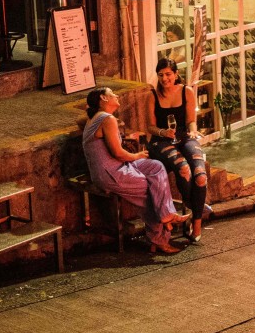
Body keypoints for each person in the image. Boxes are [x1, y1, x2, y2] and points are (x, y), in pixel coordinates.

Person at [81, 87, 189, 253]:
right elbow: (117, 153)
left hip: (117, 167)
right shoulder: (107, 119)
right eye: (112, 93)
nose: (116, 95)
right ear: (103, 98)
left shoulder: (98, 118)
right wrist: (137, 155)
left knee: (156, 166)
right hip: (110, 173)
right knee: (150, 191)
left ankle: (166, 214)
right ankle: (159, 238)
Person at [144, 59, 210, 242]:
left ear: (175, 74)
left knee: (200, 173)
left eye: (168, 74)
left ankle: (196, 222)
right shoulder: (152, 96)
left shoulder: (186, 91)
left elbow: (191, 120)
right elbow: (149, 127)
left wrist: (194, 129)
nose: (165, 78)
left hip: (184, 137)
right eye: (161, 75)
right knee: (183, 167)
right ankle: (196, 205)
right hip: (160, 141)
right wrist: (163, 132)